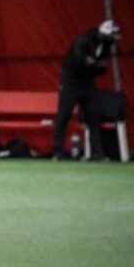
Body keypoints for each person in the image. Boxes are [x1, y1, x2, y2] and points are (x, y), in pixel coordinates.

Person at [52, 20, 121, 161]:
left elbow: (100, 67)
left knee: (94, 116)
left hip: (88, 82)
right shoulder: (84, 39)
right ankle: (57, 151)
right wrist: (94, 64)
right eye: (111, 36)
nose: (113, 40)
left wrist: (96, 65)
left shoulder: (106, 46)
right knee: (64, 115)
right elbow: (81, 60)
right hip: (71, 81)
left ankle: (97, 152)